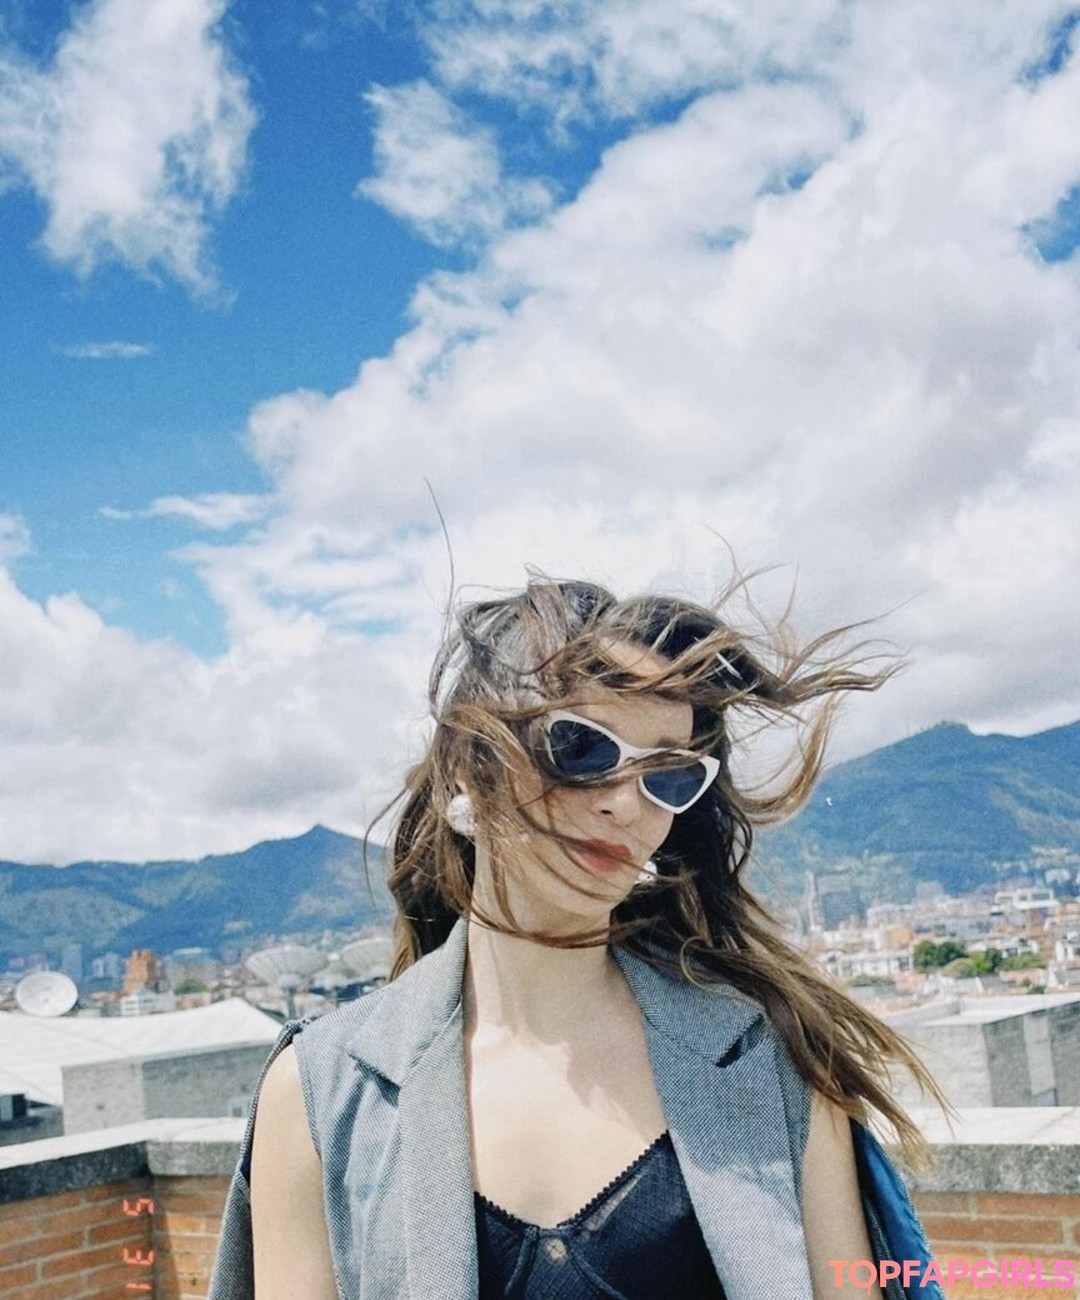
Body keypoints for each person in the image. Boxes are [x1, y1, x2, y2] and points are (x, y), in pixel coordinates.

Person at [207, 575, 943, 1300]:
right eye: (582, 748)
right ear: (468, 767)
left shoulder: (768, 1057)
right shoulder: (320, 1093)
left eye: (669, 775)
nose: (627, 804)